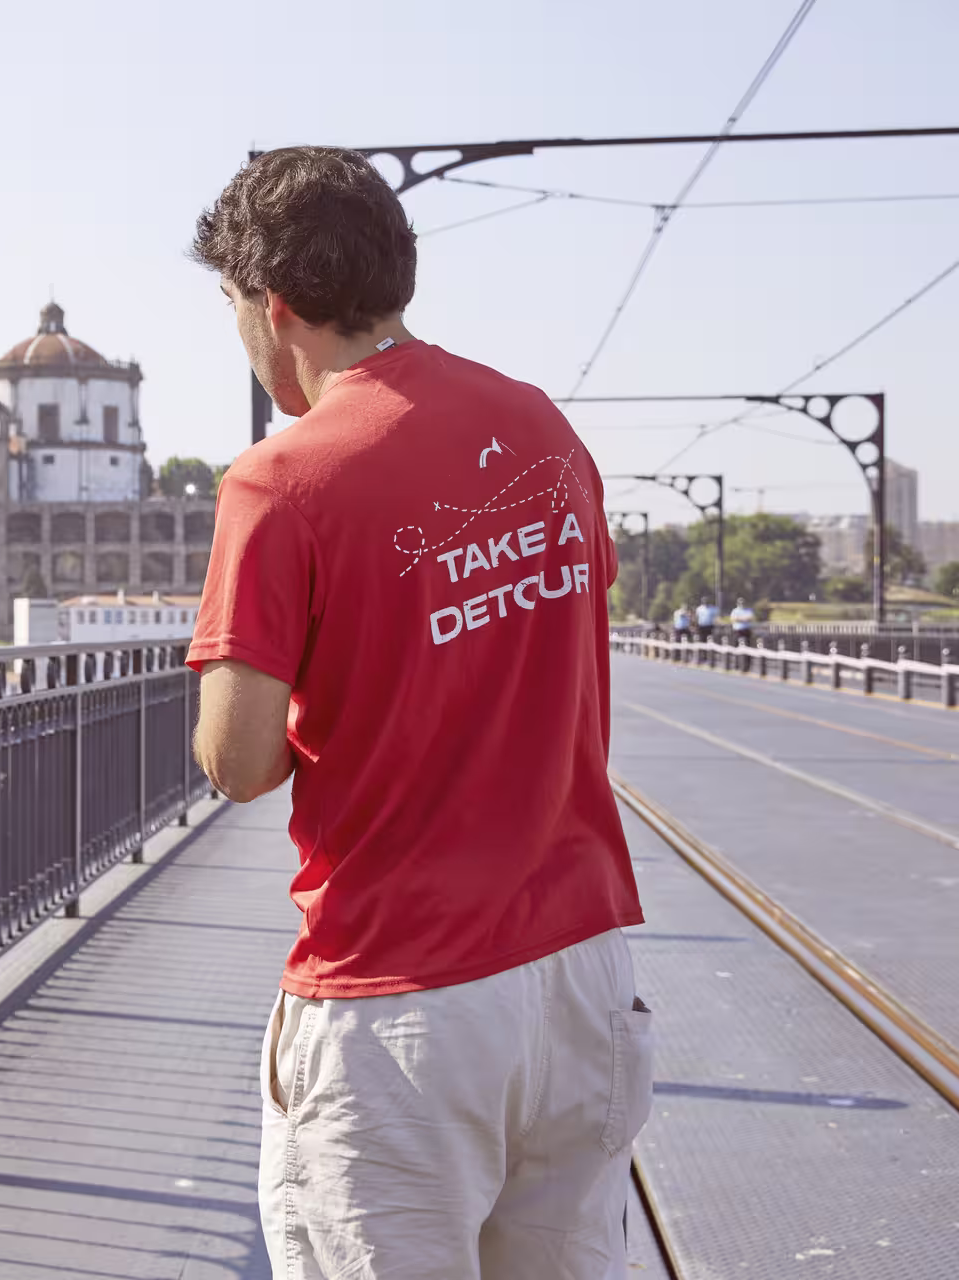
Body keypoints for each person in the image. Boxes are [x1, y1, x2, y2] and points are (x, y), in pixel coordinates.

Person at [185, 147, 650, 1280]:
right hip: (581, 964)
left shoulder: (278, 479)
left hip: (404, 989)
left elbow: (238, 761)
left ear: (273, 307)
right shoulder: (541, 426)